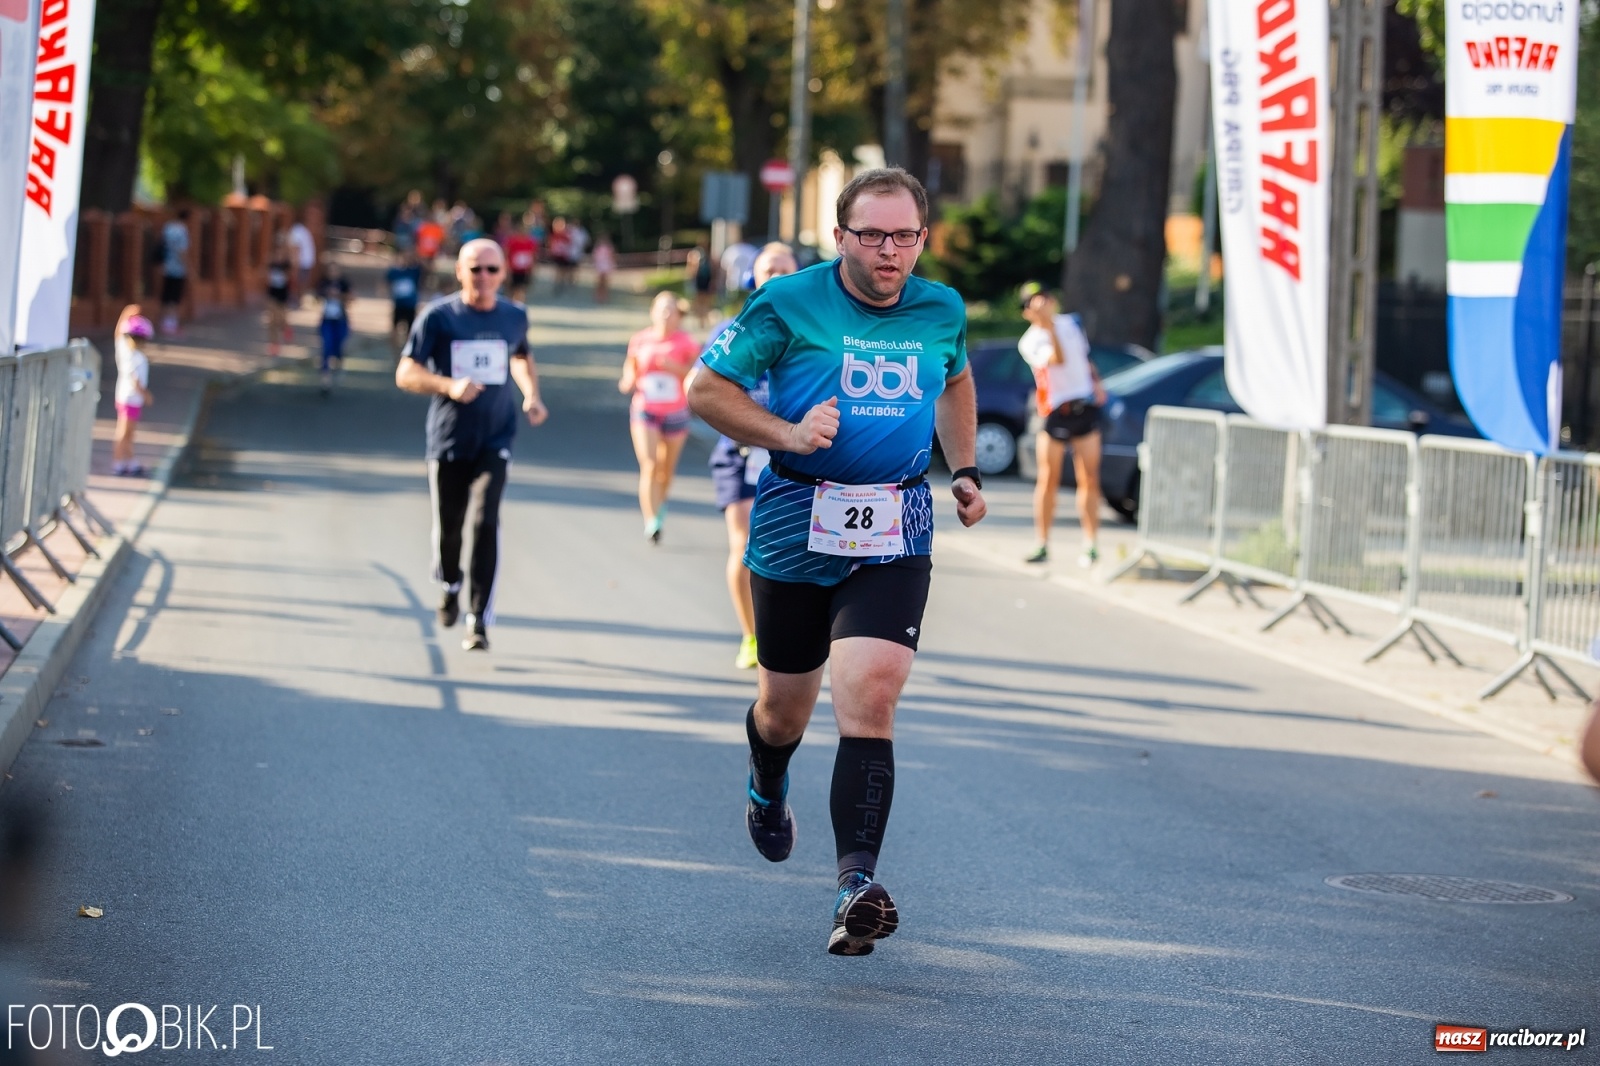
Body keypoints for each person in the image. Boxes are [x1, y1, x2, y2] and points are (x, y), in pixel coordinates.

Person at [688, 167, 987, 956]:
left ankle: (856, 886)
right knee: (784, 711)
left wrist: (963, 469)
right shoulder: (788, 302)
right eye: (872, 235)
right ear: (840, 236)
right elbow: (705, 389)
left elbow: (955, 379)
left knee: (871, 689)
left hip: (896, 521)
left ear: (923, 237)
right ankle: (767, 782)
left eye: (905, 236)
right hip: (797, 518)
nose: (890, 251)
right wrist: (787, 434)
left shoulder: (941, 308)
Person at [395, 238, 548, 652]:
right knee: (450, 528)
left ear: (503, 273)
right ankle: (449, 584)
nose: (483, 276)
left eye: (491, 269)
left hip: (496, 436)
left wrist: (531, 394)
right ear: (459, 272)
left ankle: (478, 619)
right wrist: (448, 385)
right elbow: (405, 373)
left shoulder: (515, 316)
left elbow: (520, 356)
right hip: (449, 438)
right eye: (475, 268)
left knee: (485, 520)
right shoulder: (439, 317)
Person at [696, 242, 797, 670]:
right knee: (744, 544)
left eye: (785, 269)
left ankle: (790, 633)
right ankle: (751, 635)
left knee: (791, 550)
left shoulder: (814, 333)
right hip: (740, 455)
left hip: (795, 458)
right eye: (768, 270)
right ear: (753, 278)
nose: (776, 277)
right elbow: (701, 387)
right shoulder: (732, 330)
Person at [1016, 282, 1106, 567]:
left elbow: (1083, 357)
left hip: (1083, 405)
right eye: (1035, 302)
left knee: (1089, 477)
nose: (1043, 304)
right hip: (1055, 410)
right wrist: (1047, 326)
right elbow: (1057, 359)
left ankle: (1090, 543)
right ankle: (1042, 542)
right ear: (1027, 312)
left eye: (1045, 297)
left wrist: (1096, 382)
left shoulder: (1072, 324)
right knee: (1048, 479)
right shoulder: (1030, 341)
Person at [619, 291, 699, 543]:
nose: (665, 314)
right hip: (645, 408)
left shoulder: (687, 342)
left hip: (676, 412)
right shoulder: (640, 339)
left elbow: (698, 376)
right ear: (652, 312)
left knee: (666, 470)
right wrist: (628, 379)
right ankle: (651, 519)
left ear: (678, 315)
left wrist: (675, 368)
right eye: (661, 309)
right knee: (650, 465)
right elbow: (631, 365)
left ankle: (660, 506)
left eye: (670, 309)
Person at [113, 307, 155, 477]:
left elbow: (117, 334)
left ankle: (129, 460)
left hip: (131, 399)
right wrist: (146, 395)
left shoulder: (127, 352)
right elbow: (135, 381)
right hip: (129, 398)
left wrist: (125, 314)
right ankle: (118, 461)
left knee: (129, 432)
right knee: (124, 432)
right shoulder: (133, 356)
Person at [316, 259, 352, 394]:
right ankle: (325, 379)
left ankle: (339, 362)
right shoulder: (323, 283)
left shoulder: (343, 283)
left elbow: (351, 299)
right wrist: (326, 294)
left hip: (340, 320)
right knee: (326, 347)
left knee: (338, 347)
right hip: (327, 320)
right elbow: (316, 297)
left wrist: (339, 296)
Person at [158, 209, 190, 336]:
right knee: (175, 297)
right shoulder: (182, 231)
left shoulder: (168, 227)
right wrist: (188, 267)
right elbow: (182, 251)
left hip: (166, 265)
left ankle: (163, 321)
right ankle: (171, 323)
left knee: (166, 295)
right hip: (177, 268)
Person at [386, 250, 424, 355]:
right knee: (395, 328)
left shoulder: (415, 271)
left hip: (410, 305)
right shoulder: (395, 271)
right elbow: (387, 282)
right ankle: (394, 352)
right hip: (399, 304)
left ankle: (408, 351)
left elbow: (425, 270)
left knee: (410, 329)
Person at [265, 236, 293, 356]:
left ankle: (286, 328)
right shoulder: (271, 262)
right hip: (272, 294)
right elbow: (266, 276)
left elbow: (290, 277)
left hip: (283, 295)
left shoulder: (287, 264)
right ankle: (274, 344)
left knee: (281, 320)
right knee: (272, 321)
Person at [286, 214, 317, 305]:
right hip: (304, 262)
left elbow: (297, 247)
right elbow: (296, 247)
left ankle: (297, 300)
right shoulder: (300, 230)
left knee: (300, 282)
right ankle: (297, 300)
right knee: (300, 282)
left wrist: (296, 262)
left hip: (304, 262)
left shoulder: (300, 230)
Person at [685, 239, 716, 327]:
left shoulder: (706, 255)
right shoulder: (695, 254)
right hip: (699, 279)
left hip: (704, 280)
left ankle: (703, 319)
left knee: (704, 300)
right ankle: (701, 319)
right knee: (699, 300)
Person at [504, 225, 538, 301]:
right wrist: (507, 268)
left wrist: (533, 268)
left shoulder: (530, 242)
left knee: (521, 289)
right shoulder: (512, 241)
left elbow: (533, 256)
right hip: (513, 270)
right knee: (512, 289)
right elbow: (507, 254)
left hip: (525, 270)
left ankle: (519, 304)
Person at [548, 218, 576, 293]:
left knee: (563, 270)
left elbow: (569, 244)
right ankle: (558, 284)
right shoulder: (554, 235)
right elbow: (551, 244)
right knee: (558, 270)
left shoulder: (565, 235)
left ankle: (562, 283)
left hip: (564, 255)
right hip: (557, 255)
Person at [591, 234, 616, 304]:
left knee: (604, 282)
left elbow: (612, 256)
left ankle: (604, 296)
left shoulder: (608, 248)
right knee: (600, 282)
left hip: (605, 265)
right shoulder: (598, 248)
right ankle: (599, 296)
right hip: (601, 265)